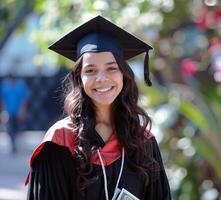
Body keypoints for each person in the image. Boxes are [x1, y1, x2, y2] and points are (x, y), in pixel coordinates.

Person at [26, 15, 171, 200]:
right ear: (79, 78)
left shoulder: (142, 141)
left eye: (111, 68)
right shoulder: (60, 141)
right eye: (90, 70)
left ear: (124, 75)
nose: (101, 78)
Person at [0, 74, 28, 154]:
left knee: (17, 128)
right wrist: (3, 111)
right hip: (9, 111)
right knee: (10, 128)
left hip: (18, 111)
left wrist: (22, 111)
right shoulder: (5, 86)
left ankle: (16, 143)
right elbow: (3, 100)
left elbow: (23, 100)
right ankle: (13, 145)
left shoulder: (20, 86)